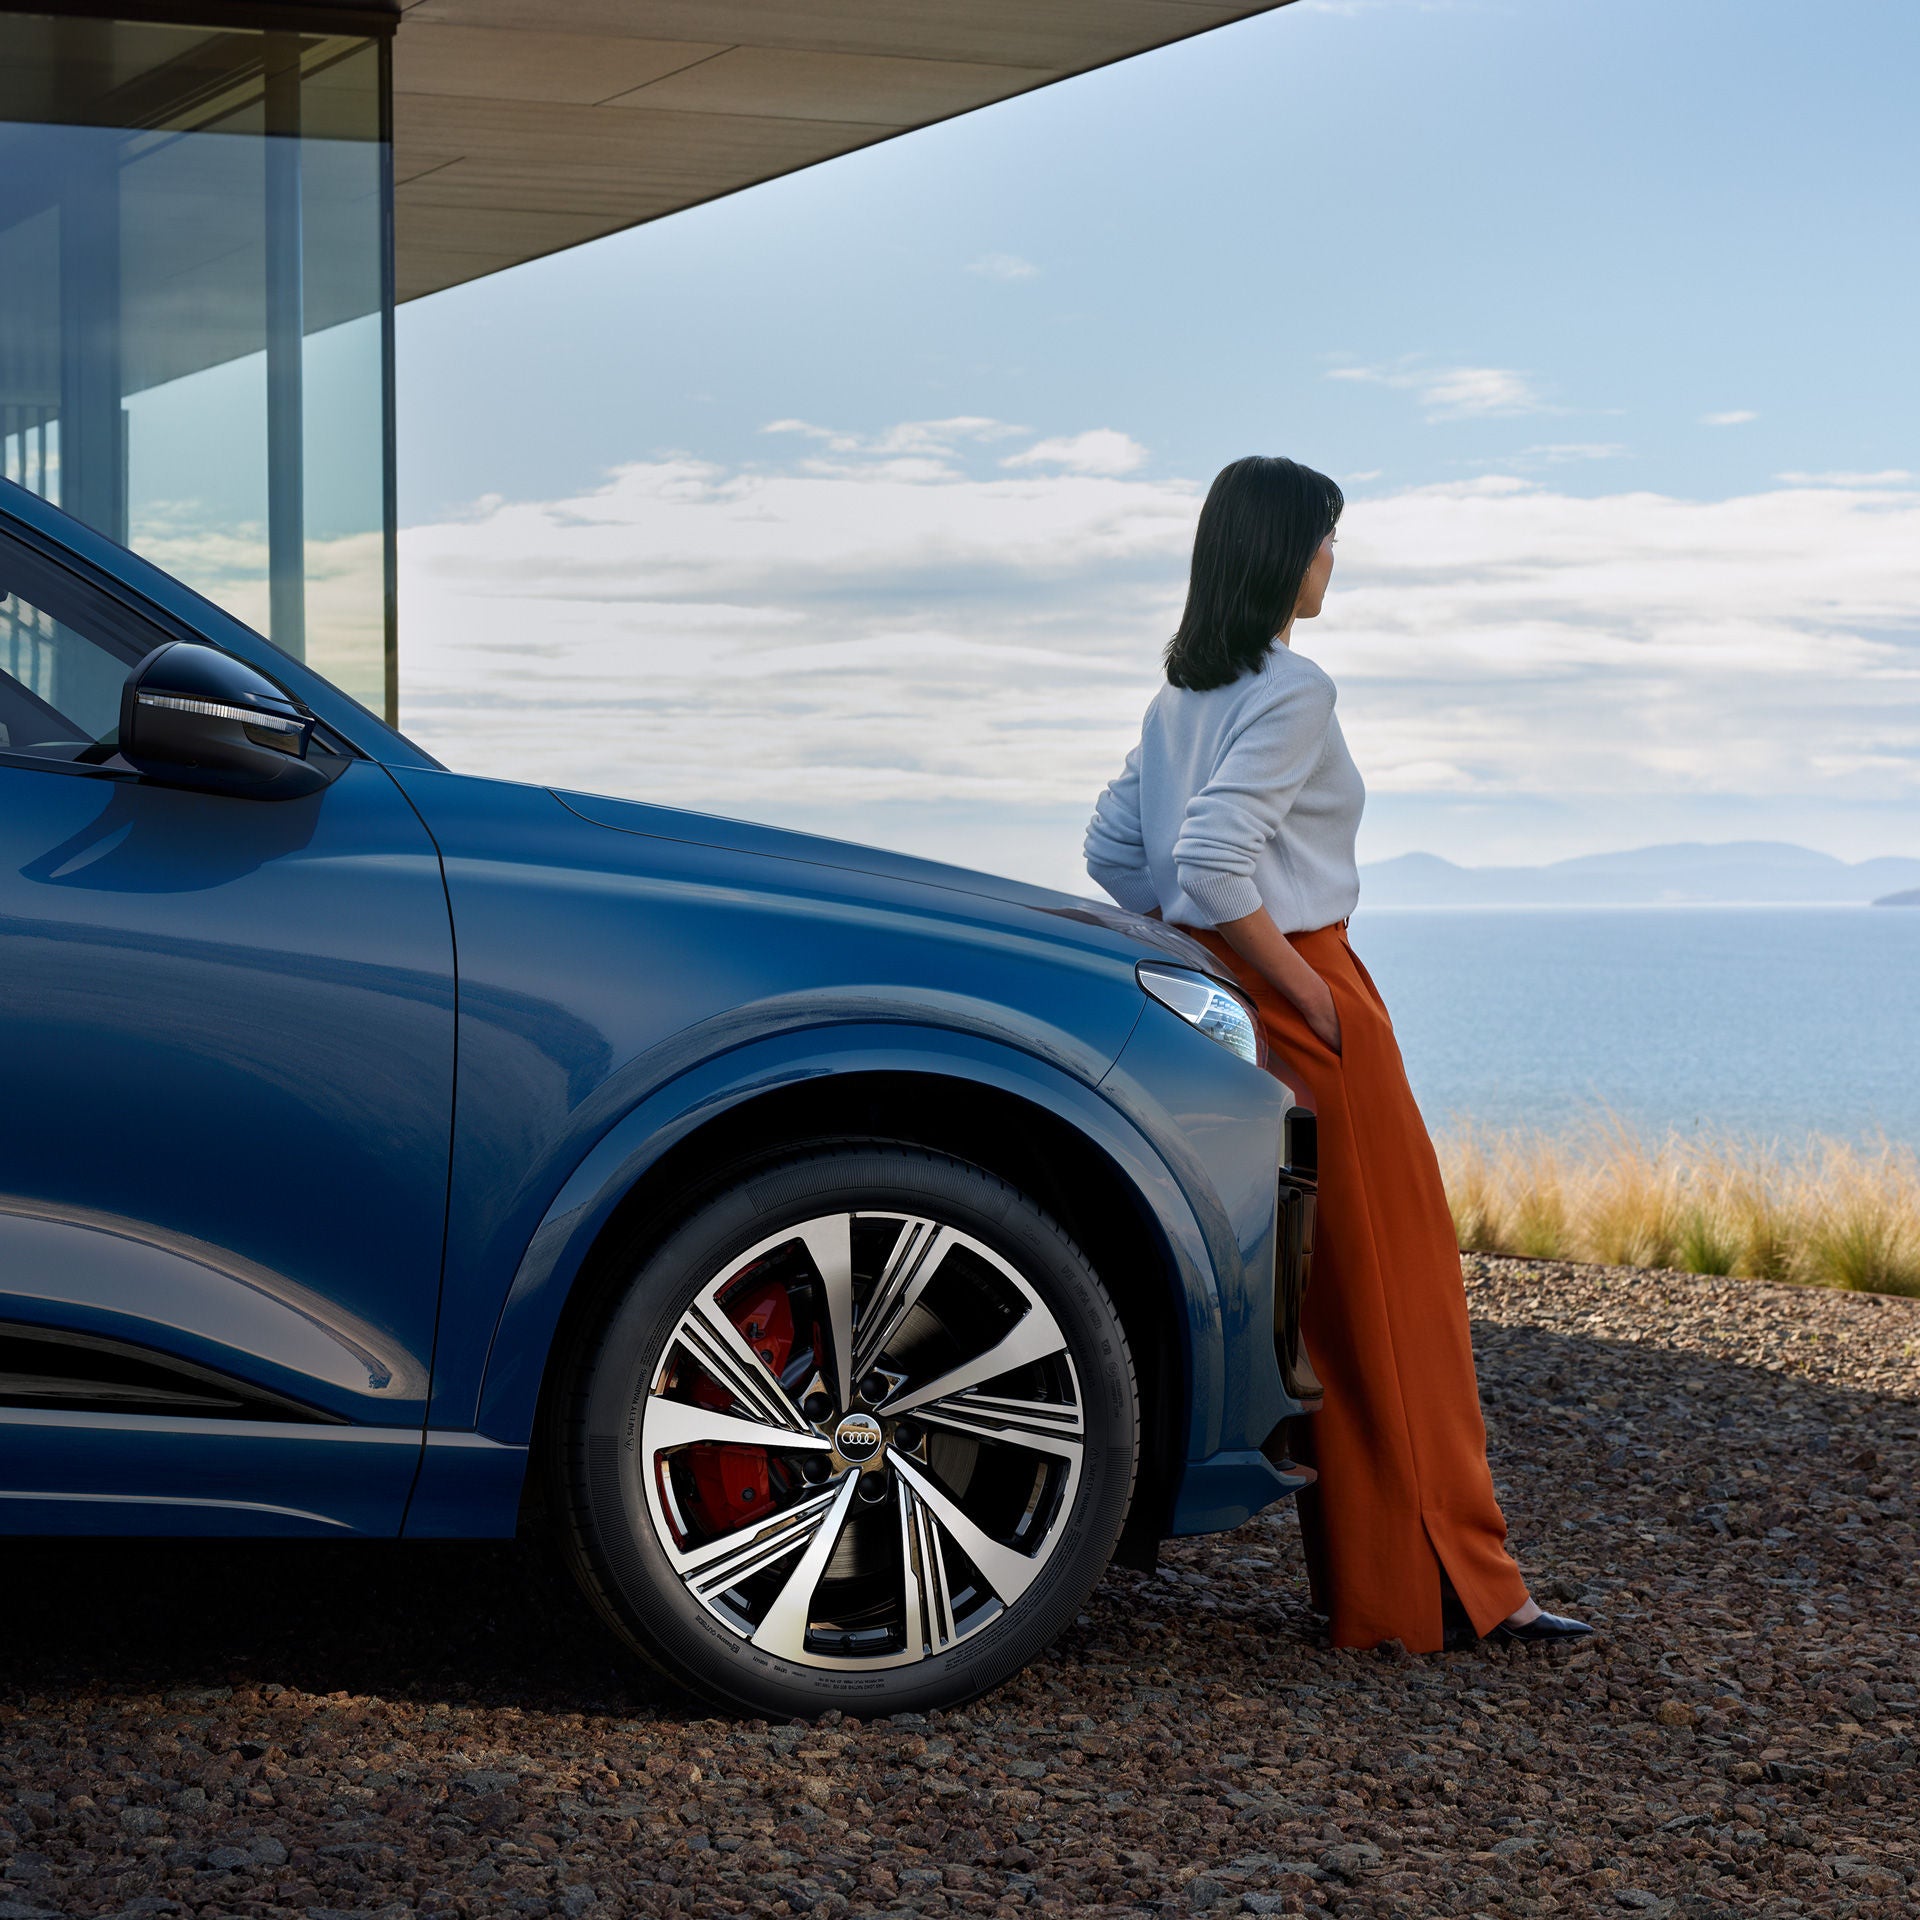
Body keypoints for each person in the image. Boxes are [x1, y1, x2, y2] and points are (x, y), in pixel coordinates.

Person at [1083, 454, 1592, 1654]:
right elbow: (1212, 867)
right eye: (1323, 543)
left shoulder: (1175, 706)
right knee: (1397, 1302)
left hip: (1228, 1004)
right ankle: (1464, 1594)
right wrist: (1308, 990)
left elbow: (1118, 854)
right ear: (1278, 554)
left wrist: (1218, 966)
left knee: (1325, 1307)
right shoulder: (1293, 687)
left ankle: (1391, 1589)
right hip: (1312, 993)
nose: (1331, 565)